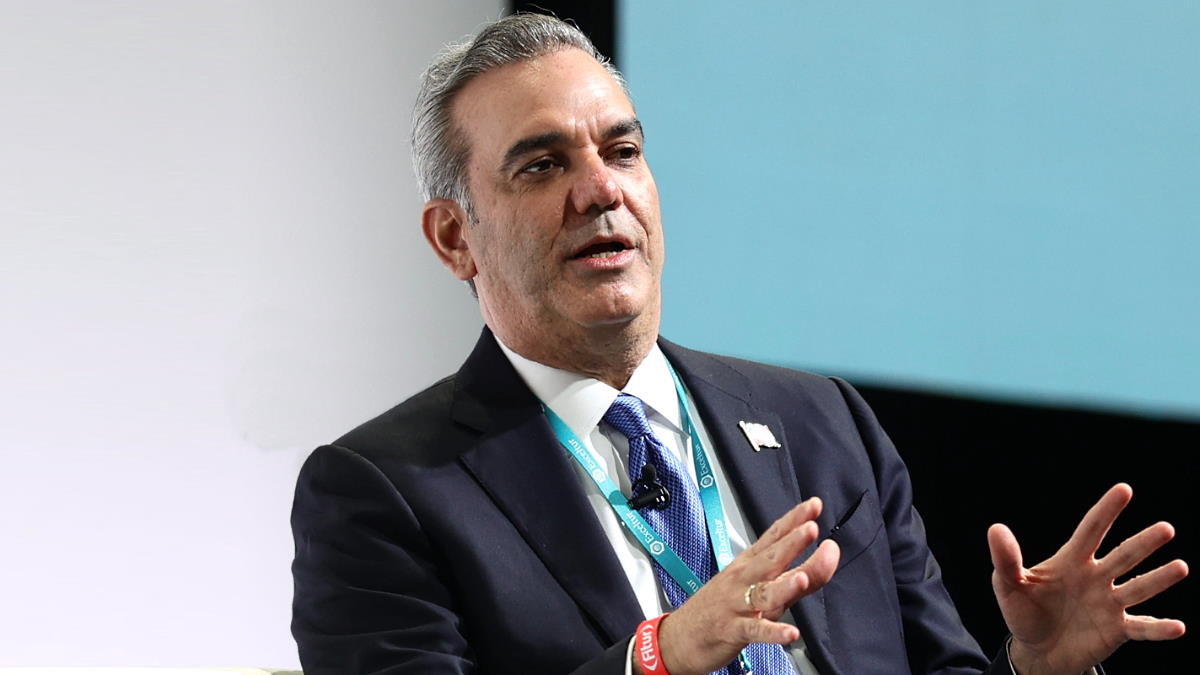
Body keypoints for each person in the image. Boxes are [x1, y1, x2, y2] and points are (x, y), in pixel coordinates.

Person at [290, 13, 1187, 675]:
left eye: (623, 151)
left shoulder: (822, 421)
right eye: (543, 164)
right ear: (455, 237)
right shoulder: (383, 492)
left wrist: (1032, 668)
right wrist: (657, 655)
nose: (601, 190)